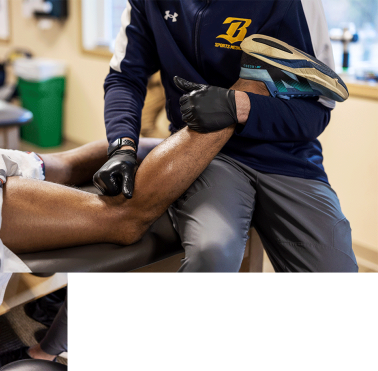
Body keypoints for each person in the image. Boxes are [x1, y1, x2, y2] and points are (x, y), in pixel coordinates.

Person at [94, 0, 357, 272]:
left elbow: (317, 110)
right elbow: (125, 78)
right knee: (211, 253)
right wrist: (122, 146)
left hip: (288, 157)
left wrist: (240, 107)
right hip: (206, 153)